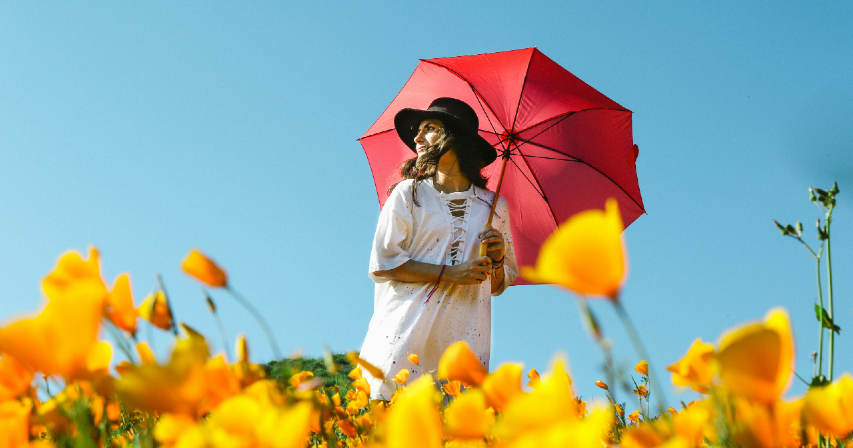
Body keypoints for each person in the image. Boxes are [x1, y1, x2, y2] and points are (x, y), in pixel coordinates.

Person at [359, 97, 518, 399]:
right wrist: (450, 273)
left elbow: (497, 284)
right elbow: (384, 262)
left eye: (429, 128)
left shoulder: (495, 207)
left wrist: (497, 260)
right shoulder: (409, 193)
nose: (417, 138)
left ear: (455, 137)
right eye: (418, 131)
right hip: (403, 331)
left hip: (463, 337)